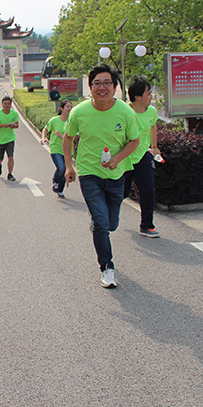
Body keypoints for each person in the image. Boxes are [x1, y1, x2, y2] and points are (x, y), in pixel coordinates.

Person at [63, 65, 141, 289]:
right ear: (90, 88)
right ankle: (107, 268)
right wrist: (69, 167)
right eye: (97, 83)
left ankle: (98, 224)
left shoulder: (125, 112)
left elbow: (135, 140)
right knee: (101, 223)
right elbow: (68, 138)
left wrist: (118, 158)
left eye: (107, 83)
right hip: (89, 172)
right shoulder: (79, 112)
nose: (102, 87)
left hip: (116, 175)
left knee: (111, 224)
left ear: (115, 87)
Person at [123, 79, 161, 238]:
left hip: (143, 155)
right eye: (148, 93)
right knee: (121, 192)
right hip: (124, 157)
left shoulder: (151, 111)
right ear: (137, 96)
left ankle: (147, 226)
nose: (151, 96)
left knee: (148, 190)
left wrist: (154, 146)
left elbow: (153, 126)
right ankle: (100, 215)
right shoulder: (124, 111)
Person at [41, 99, 72, 198]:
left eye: (71, 107)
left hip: (67, 150)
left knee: (65, 170)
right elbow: (45, 129)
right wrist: (43, 137)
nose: (70, 109)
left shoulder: (72, 121)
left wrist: (62, 137)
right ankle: (55, 179)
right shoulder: (54, 120)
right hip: (56, 149)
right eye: (67, 107)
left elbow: (74, 137)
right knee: (61, 168)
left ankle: (60, 190)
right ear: (61, 108)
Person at [0, 95, 19, 181]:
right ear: (2, 104)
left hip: (10, 139)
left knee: (10, 157)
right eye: (5, 103)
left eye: (9, 104)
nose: (7, 105)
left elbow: (17, 125)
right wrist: (3, 125)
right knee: (0, 159)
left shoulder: (14, 113)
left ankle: (10, 174)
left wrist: (13, 126)